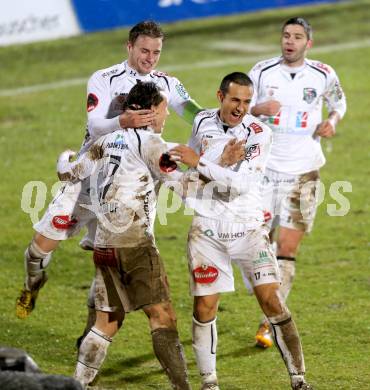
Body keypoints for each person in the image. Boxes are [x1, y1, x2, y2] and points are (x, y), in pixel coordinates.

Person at [15, 20, 201, 320]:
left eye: (156, 52)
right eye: (144, 50)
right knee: (39, 248)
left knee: (110, 266)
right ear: (129, 47)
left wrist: (227, 124)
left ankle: (91, 334)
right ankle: (32, 284)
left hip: (130, 189)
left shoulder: (169, 84)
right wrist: (122, 121)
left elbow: (197, 114)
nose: (150, 58)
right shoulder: (105, 78)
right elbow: (95, 125)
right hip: (88, 178)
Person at [169, 72, 312, 390]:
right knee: (204, 307)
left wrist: (201, 163)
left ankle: (299, 380)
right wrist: (207, 163)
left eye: (247, 102)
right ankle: (209, 383)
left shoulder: (258, 133)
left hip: (248, 228)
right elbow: (194, 171)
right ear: (220, 96)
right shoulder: (202, 121)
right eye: (235, 100)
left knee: (272, 301)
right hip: (206, 229)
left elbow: (239, 184)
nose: (241, 108)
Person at [57, 82, 195, 390]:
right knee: (163, 317)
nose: (166, 116)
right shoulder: (152, 143)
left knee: (107, 320)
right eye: (163, 109)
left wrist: (64, 156)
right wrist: (204, 167)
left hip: (104, 244)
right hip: (135, 245)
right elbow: (186, 190)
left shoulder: (105, 141)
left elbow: (69, 173)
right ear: (148, 112)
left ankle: (78, 383)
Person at [246, 17, 347, 348]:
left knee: (287, 250)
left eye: (297, 37)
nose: (289, 41)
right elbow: (235, 108)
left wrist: (332, 121)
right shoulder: (261, 72)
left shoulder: (322, 74)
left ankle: (268, 323)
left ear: (308, 44)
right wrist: (257, 107)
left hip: (303, 172)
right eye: (286, 36)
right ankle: (265, 292)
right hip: (263, 172)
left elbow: (338, 102)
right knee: (258, 247)